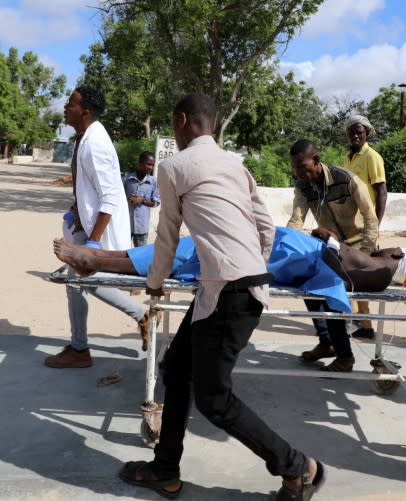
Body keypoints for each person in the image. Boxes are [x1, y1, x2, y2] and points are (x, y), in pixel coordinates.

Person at [118, 94, 325, 500]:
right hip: (231, 288)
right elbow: (266, 226)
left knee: (215, 399)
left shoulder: (174, 166)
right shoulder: (234, 164)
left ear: (182, 121)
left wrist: (155, 281)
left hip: (227, 292)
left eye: (174, 124)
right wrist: (248, 264)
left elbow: (167, 232)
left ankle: (296, 466)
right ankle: (165, 468)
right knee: (177, 368)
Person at [52, 226, 406, 353]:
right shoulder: (379, 267)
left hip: (288, 256)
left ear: (401, 258)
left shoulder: (381, 267)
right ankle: (96, 256)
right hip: (289, 251)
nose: (387, 248)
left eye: (393, 249)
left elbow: (340, 277)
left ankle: (95, 260)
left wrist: (328, 241)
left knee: (188, 255)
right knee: (189, 250)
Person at [45, 86, 148, 369]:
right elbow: (89, 185)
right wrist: (77, 209)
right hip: (87, 225)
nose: (66, 106)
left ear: (85, 112)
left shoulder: (95, 144)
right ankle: (80, 347)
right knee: (77, 283)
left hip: (99, 232)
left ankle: (138, 316)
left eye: (71, 103)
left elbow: (111, 197)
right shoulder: (85, 138)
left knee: (85, 282)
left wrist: (92, 243)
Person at [287, 139, 380, 372]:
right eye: (295, 168)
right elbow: (296, 220)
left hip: (357, 249)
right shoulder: (303, 186)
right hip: (330, 250)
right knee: (307, 285)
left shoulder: (346, 179)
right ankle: (327, 342)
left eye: (302, 166)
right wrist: (285, 243)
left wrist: (366, 254)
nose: (299, 172)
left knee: (331, 293)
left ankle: (345, 357)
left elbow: (370, 218)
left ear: (316, 160)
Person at [344, 115, 387, 339]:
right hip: (350, 227)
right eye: (352, 132)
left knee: (359, 277)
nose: (356, 135)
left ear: (367, 133)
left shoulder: (372, 157)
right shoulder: (348, 158)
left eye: (359, 131)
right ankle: (359, 323)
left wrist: (375, 226)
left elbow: (381, 191)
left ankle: (364, 324)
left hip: (366, 228)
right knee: (350, 276)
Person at [122, 151, 160, 248]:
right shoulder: (127, 179)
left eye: (152, 165)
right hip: (125, 226)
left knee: (140, 256)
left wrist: (142, 200)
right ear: (140, 163)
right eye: (148, 164)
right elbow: (118, 199)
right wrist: (127, 199)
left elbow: (155, 203)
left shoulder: (154, 182)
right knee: (122, 252)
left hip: (142, 228)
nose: (150, 168)